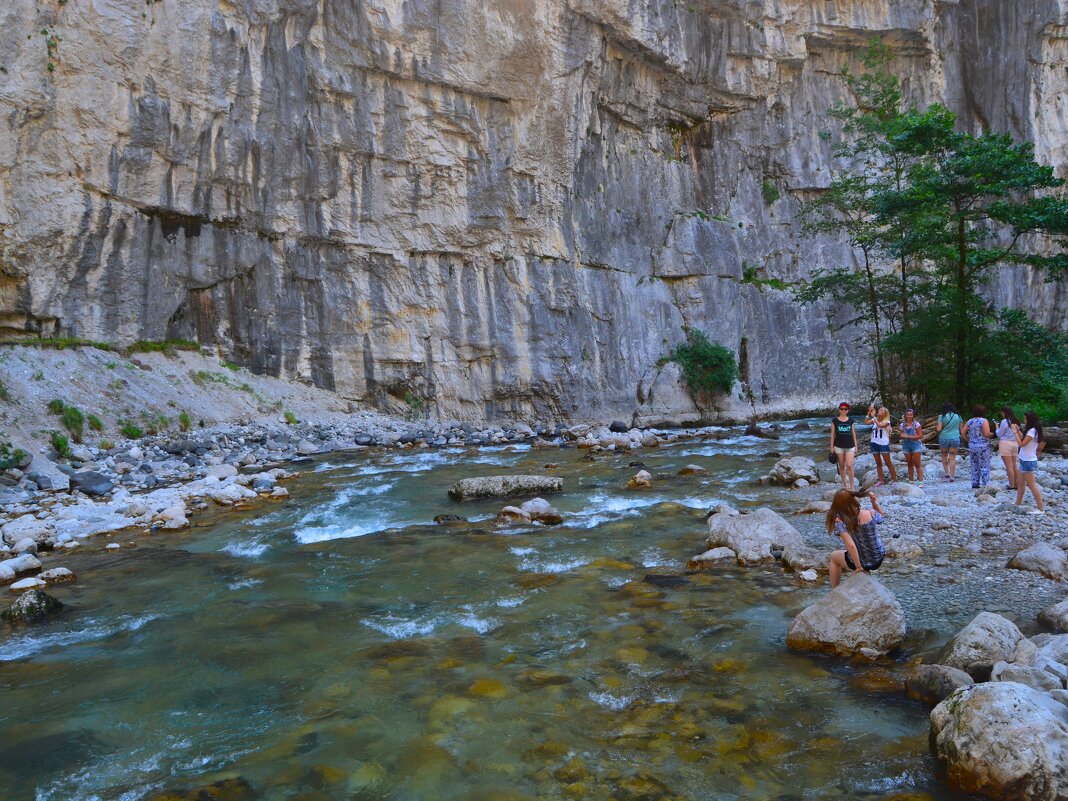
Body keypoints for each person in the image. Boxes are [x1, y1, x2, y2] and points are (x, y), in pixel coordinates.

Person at [826, 488, 887, 589]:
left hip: (862, 562)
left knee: (833, 557)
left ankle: (835, 590)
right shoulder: (871, 512)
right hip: (878, 558)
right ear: (854, 499)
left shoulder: (840, 521)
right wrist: (874, 503)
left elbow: (851, 545)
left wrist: (858, 567)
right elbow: (882, 517)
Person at [1014, 410, 1045, 514]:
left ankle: (1041, 509)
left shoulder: (1032, 431)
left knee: (1031, 485)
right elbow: (1025, 439)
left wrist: (1014, 432)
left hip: (1028, 461)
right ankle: (1017, 504)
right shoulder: (1033, 430)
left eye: (1025, 418)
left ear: (1029, 419)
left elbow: (1021, 444)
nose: (1024, 420)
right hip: (1024, 459)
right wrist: (1018, 431)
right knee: (1020, 483)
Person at [864, 404, 896, 485]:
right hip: (874, 443)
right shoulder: (876, 419)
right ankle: (881, 481)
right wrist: (868, 413)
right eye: (880, 410)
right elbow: (866, 422)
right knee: (878, 463)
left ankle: (894, 480)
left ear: (885, 413)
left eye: (882, 410)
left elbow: (880, 425)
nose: (880, 411)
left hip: (883, 444)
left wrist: (874, 416)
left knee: (888, 462)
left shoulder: (887, 421)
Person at [828, 402, 858, 490]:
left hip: (850, 446)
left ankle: (852, 486)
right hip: (838, 446)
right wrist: (831, 447)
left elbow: (853, 434)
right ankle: (845, 485)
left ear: (848, 410)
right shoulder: (835, 421)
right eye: (841, 409)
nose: (843, 410)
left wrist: (856, 446)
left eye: (845, 409)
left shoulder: (851, 420)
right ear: (839, 410)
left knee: (849, 465)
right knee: (841, 466)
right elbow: (833, 434)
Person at [962, 405, 993, 489]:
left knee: (974, 463)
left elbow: (963, 432)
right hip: (983, 445)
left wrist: (968, 440)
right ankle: (985, 483)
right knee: (984, 464)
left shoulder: (970, 421)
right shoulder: (983, 421)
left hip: (972, 445)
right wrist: (992, 434)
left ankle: (975, 482)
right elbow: (986, 434)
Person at [936, 402, 963, 482]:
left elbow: (939, 429)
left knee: (944, 455)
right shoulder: (958, 416)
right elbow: (961, 430)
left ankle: (947, 473)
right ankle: (952, 477)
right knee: (952, 458)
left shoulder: (941, 416)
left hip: (944, 438)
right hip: (955, 438)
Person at [996, 406, 1021, 492]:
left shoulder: (1004, 421)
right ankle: (1017, 484)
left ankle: (1011, 485)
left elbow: (1000, 434)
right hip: (1015, 443)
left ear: (1004, 412)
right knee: (1014, 465)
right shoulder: (1016, 421)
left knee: (1009, 466)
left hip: (1005, 443)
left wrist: (997, 427)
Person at [898, 408, 924, 484]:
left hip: (916, 445)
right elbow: (901, 435)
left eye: (911, 415)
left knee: (917, 464)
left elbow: (920, 436)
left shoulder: (916, 424)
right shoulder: (902, 425)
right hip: (906, 445)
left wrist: (908, 436)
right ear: (905, 415)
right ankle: (911, 480)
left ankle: (920, 481)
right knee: (909, 464)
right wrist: (903, 436)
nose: (909, 416)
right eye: (907, 415)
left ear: (913, 416)